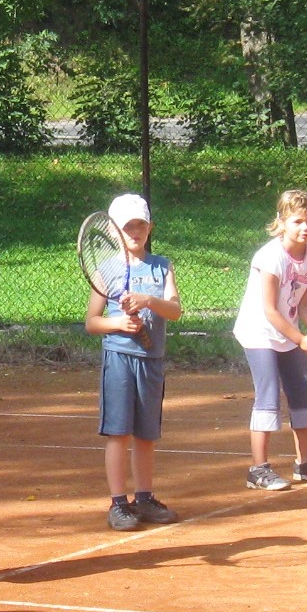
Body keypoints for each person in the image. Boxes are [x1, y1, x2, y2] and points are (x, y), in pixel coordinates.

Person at [231, 189, 307, 491]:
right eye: (297, 221)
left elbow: (303, 305)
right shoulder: (270, 257)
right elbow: (269, 310)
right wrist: (301, 339)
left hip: (287, 332)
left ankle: (306, 464)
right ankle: (258, 470)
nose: (305, 227)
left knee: (302, 394)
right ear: (282, 222)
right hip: (259, 332)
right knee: (268, 396)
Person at [85, 193, 184, 531]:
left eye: (141, 225)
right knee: (119, 433)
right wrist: (119, 323)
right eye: (128, 227)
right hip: (120, 360)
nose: (135, 232)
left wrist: (149, 301)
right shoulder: (106, 270)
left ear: (149, 228)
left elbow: (175, 309)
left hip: (151, 360)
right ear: (114, 231)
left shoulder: (162, 266)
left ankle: (144, 498)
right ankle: (118, 504)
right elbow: (92, 321)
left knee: (146, 434)